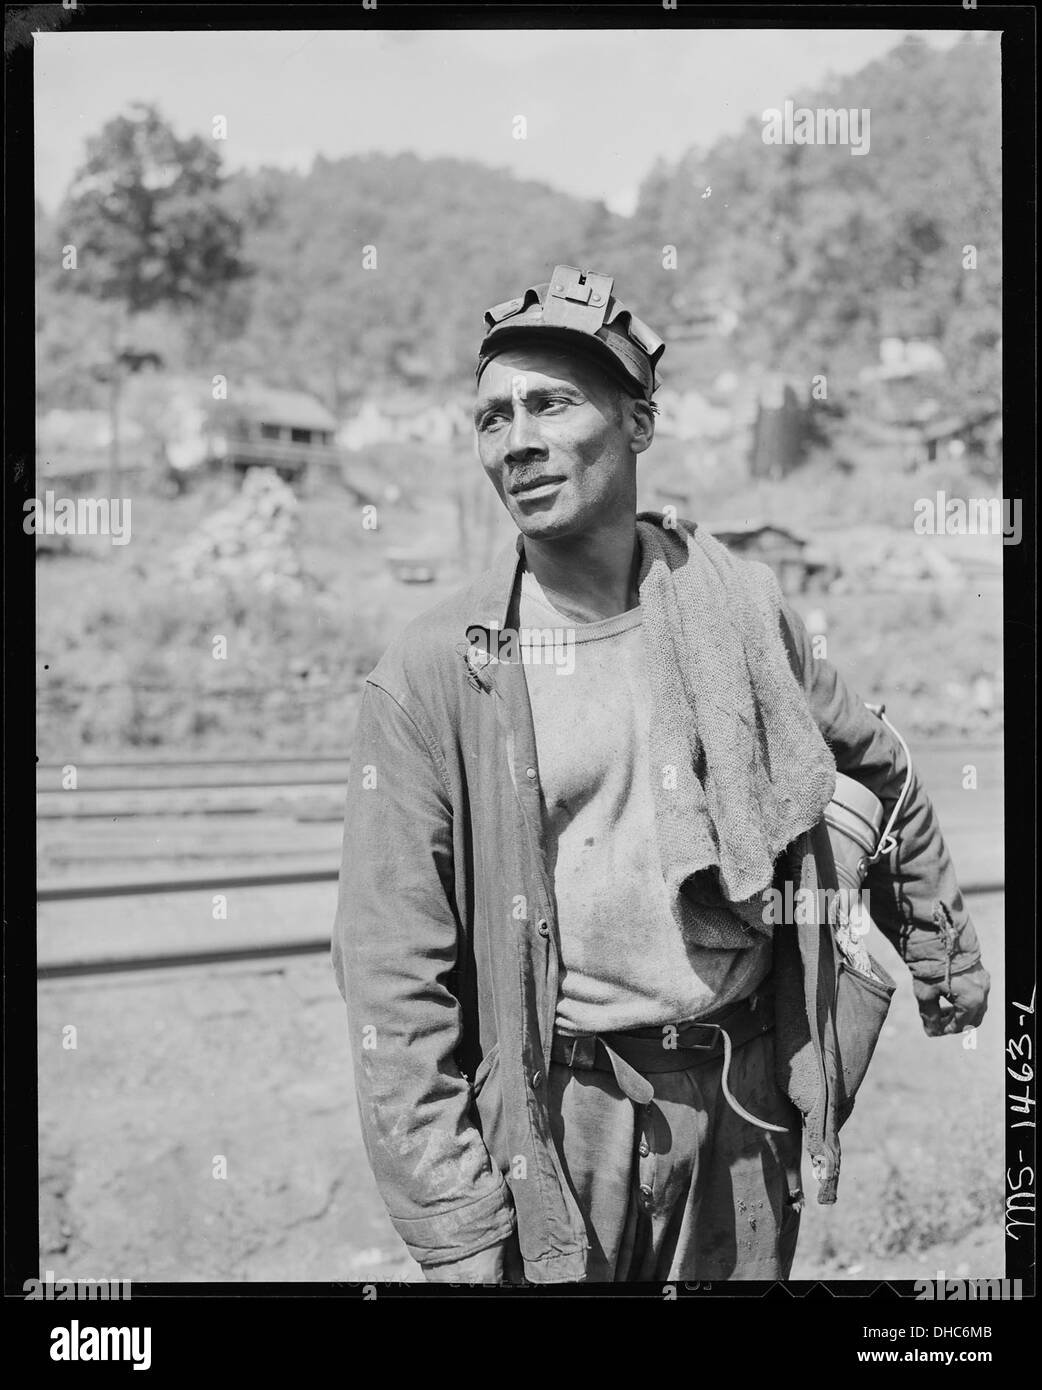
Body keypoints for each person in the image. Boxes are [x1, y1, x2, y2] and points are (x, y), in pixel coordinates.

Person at [331, 265, 990, 1285]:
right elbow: (391, 972)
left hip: (740, 1088)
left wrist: (939, 948)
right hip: (562, 1112)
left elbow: (876, 761)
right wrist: (454, 1217)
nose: (518, 440)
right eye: (492, 417)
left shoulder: (735, 604)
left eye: (551, 404)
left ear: (637, 426)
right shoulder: (439, 672)